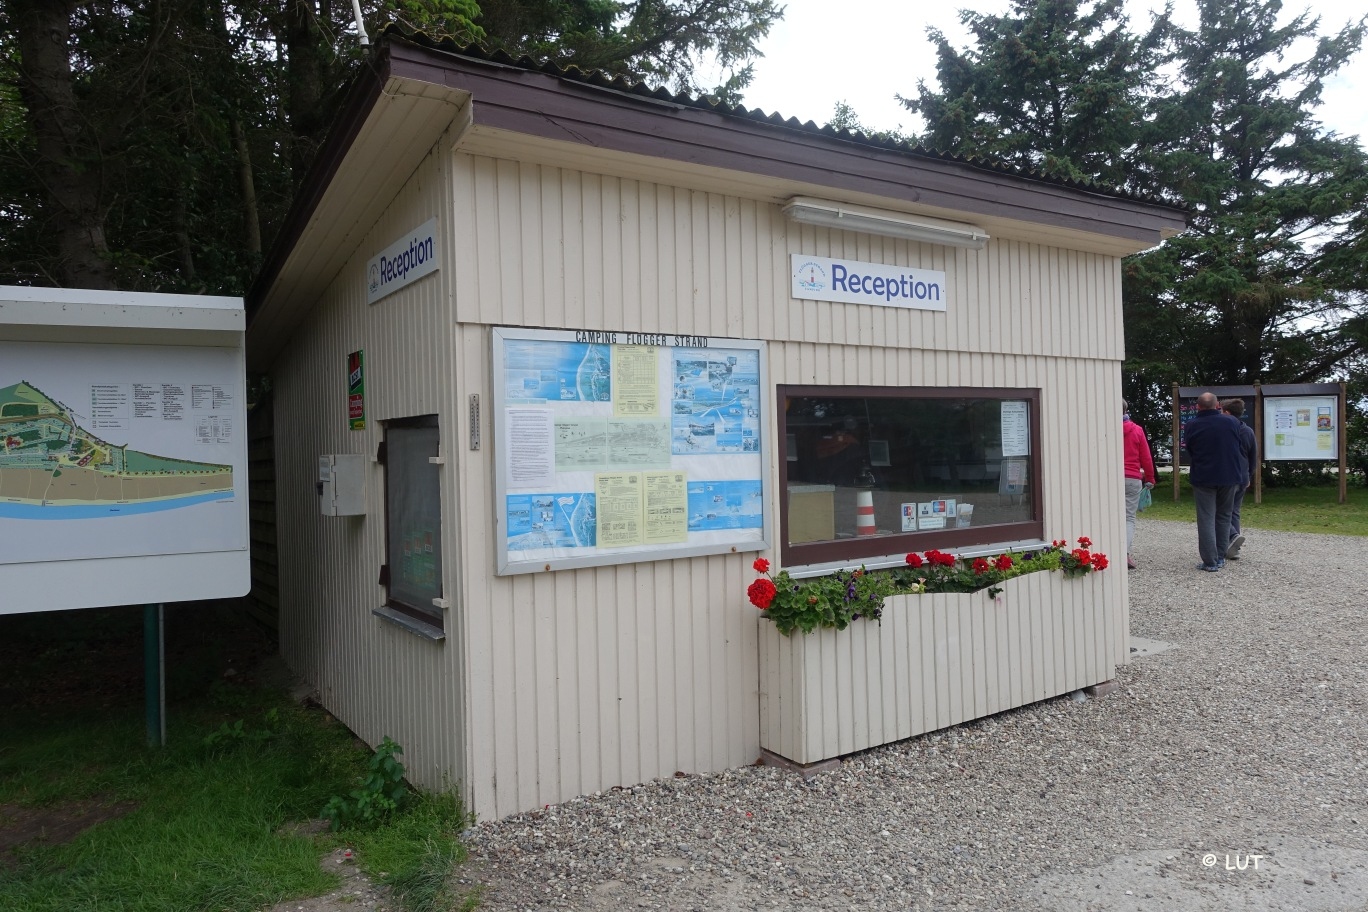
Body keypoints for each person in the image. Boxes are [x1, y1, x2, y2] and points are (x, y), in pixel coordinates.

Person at [1183, 391, 1247, 571]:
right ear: (1217, 405)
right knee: (1224, 516)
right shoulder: (1232, 422)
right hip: (1229, 475)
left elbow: (1191, 450)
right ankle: (1220, 556)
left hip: (1204, 476)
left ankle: (1210, 561)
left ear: (1198, 406)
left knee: (1206, 518)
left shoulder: (1191, 425)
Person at [1221, 398, 1258, 559]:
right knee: (1234, 511)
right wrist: (1249, 475)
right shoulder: (1248, 431)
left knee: (1220, 510)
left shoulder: (1224, 431)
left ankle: (1232, 536)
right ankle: (1233, 548)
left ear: (1227, 413)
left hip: (1228, 477)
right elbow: (1253, 456)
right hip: (1243, 476)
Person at [1122, 400, 1157, 569]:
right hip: (1131, 478)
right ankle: (1124, 554)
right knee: (1128, 518)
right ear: (1126, 410)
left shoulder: (1104, 428)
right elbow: (1146, 457)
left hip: (1108, 479)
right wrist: (1150, 478)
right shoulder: (1136, 430)